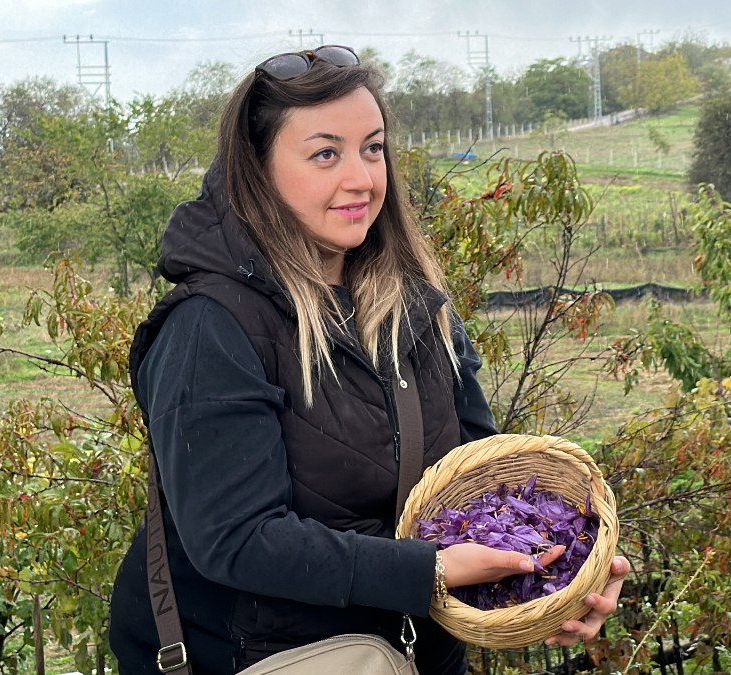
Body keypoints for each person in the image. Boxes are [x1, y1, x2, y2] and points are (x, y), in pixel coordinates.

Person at [108, 44, 630, 674]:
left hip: (419, 655)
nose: (362, 178)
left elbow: (477, 486)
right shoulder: (210, 328)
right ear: (258, 171)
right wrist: (428, 568)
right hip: (268, 657)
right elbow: (237, 539)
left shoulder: (416, 308)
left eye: (373, 148)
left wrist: (551, 574)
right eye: (326, 153)